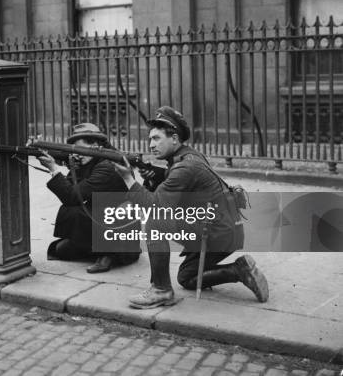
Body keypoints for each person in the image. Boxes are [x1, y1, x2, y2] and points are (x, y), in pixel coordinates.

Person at [114, 106, 268, 308]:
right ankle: (239, 270)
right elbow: (183, 186)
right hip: (226, 231)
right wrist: (156, 178)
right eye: (150, 139)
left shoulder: (184, 167)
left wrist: (128, 179)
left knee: (155, 222)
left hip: (215, 234)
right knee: (186, 278)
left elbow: (157, 206)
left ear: (175, 139)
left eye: (157, 138)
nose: (151, 145)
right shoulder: (190, 156)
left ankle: (161, 290)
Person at [37, 123, 140, 273]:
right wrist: (73, 167)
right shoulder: (93, 160)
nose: (76, 154)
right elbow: (71, 190)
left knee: (72, 210)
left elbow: (72, 196)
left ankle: (108, 254)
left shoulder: (108, 166)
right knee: (60, 250)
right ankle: (91, 247)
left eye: (79, 149)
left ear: (95, 145)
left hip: (118, 231)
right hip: (101, 221)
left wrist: (53, 169)